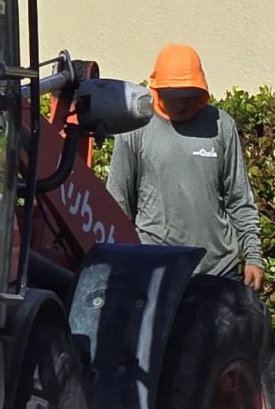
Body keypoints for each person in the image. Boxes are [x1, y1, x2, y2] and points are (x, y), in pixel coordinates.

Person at [105, 44, 264, 289]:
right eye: (173, 95)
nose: (181, 103)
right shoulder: (134, 128)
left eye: (188, 95)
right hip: (155, 269)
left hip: (219, 271)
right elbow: (118, 202)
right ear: (157, 90)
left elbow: (239, 198)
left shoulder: (220, 125)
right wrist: (121, 261)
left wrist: (253, 256)